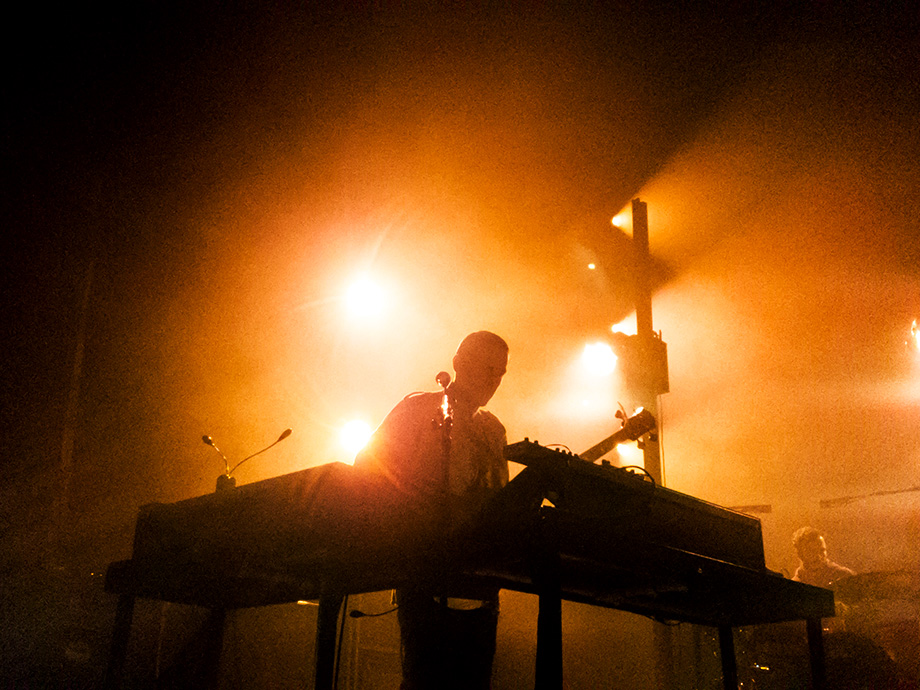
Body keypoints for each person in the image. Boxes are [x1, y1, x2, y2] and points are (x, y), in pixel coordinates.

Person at [354, 331, 510, 690]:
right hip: (424, 572)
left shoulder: (494, 430)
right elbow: (367, 466)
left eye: (500, 373)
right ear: (457, 365)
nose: (493, 381)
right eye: (487, 369)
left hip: (480, 585)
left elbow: (498, 503)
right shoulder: (417, 409)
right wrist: (415, 510)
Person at [791, 526, 855, 588]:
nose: (818, 556)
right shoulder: (794, 586)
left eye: (822, 550)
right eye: (812, 551)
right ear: (800, 554)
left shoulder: (844, 576)